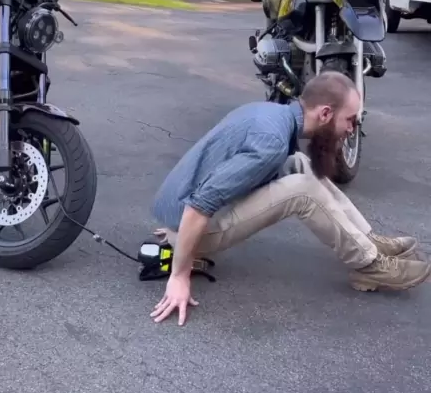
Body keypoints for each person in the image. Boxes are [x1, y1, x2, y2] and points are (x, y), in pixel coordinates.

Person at [150, 71, 431, 325]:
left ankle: (367, 240)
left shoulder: (272, 114)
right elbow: (200, 204)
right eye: (350, 120)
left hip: (181, 215)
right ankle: (370, 265)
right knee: (302, 190)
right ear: (325, 113)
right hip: (192, 229)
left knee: (299, 163)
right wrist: (179, 276)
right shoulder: (271, 142)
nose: (352, 130)